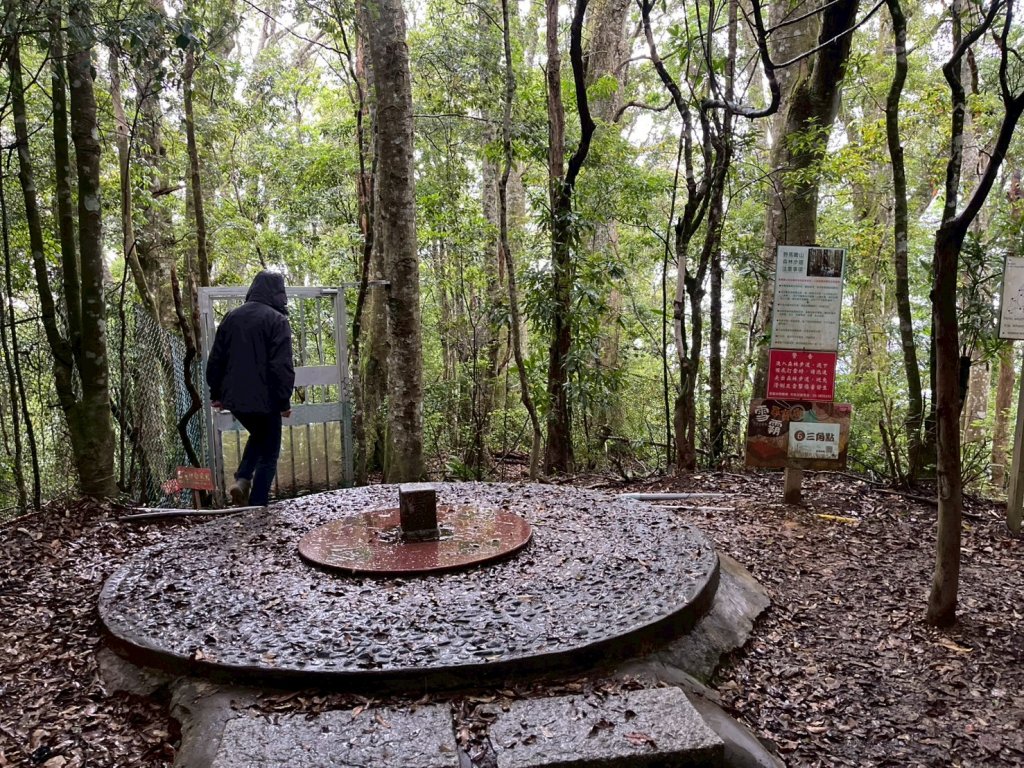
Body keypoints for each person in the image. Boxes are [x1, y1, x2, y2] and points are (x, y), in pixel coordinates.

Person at [206, 271, 295, 507]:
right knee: (269, 452)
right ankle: (258, 504)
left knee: (259, 435)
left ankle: (243, 479)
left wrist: (215, 392)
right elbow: (282, 366)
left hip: (236, 400)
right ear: (278, 293)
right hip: (266, 401)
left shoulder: (231, 317)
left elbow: (216, 358)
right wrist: (284, 402)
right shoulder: (277, 320)